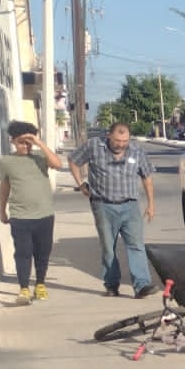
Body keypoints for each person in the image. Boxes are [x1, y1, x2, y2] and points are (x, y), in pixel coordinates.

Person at [69, 121, 157, 298]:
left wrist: (151, 204)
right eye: (117, 140)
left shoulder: (137, 151)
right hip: (103, 205)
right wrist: (80, 184)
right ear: (109, 135)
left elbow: (146, 177)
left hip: (130, 206)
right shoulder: (94, 146)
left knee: (136, 246)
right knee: (109, 247)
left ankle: (141, 285)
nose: (121, 145)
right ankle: (111, 284)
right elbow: (73, 160)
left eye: (125, 141)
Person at [0, 121, 66, 304]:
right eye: (21, 142)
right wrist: (2, 210)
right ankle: (24, 289)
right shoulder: (6, 161)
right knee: (23, 252)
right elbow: (4, 186)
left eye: (28, 142)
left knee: (43, 252)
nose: (25, 146)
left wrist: (40, 144)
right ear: (13, 141)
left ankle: (41, 284)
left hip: (44, 215)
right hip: (20, 216)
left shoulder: (40, 158)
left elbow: (57, 164)